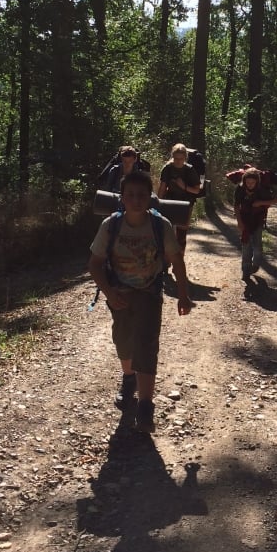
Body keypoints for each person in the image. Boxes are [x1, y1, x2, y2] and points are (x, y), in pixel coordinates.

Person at [88, 169, 192, 433]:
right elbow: (95, 264)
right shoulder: (110, 225)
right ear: (122, 197)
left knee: (146, 345)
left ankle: (145, 405)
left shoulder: (160, 225)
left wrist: (183, 294)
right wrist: (109, 293)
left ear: (150, 198)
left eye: (142, 195)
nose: (136, 200)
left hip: (149, 292)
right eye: (131, 195)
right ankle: (128, 378)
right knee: (123, 340)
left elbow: (176, 260)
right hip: (119, 292)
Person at [233, 168, 277, 280]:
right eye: (247, 182)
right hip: (244, 219)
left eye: (252, 182)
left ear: (257, 182)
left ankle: (256, 263)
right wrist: (239, 222)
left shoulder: (262, 190)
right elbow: (236, 206)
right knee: (246, 245)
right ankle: (246, 269)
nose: (250, 184)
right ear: (244, 181)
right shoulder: (240, 189)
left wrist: (260, 203)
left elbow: (275, 200)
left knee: (257, 245)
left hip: (258, 220)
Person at [157, 143, 202, 255]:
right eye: (176, 158)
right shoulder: (167, 168)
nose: (178, 161)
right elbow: (162, 187)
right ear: (172, 156)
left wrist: (184, 187)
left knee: (181, 234)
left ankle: (179, 259)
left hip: (186, 204)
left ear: (185, 158)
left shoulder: (190, 170)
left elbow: (197, 190)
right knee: (166, 231)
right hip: (169, 201)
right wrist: (157, 203)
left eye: (181, 159)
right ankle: (166, 260)